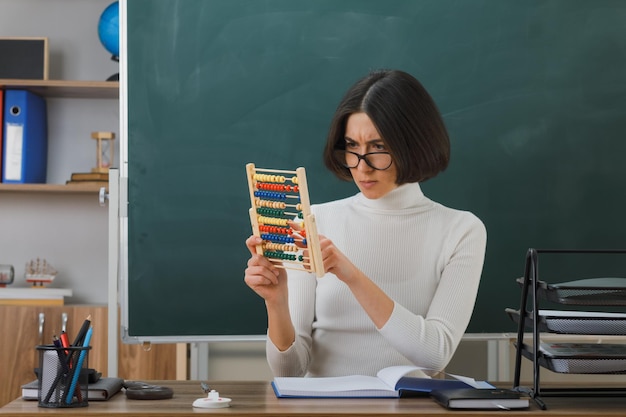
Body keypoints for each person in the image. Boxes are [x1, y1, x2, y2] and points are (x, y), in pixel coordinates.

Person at [244, 69, 487, 378]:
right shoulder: (314, 223)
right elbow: (289, 370)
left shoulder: (461, 230)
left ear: (413, 144)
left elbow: (434, 356)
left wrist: (353, 276)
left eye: (378, 147)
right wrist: (277, 302)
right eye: (352, 147)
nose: (362, 167)